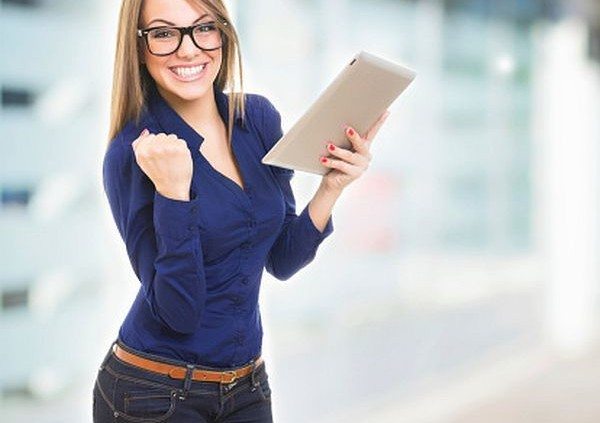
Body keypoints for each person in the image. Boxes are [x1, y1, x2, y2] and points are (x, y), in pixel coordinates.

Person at [93, 0, 390, 421]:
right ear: (139, 48)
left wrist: (332, 187)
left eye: (203, 28)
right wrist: (174, 194)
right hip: (152, 393)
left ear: (223, 34)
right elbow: (178, 311)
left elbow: (283, 259)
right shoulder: (136, 152)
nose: (189, 49)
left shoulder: (257, 119)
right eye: (163, 33)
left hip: (246, 388)